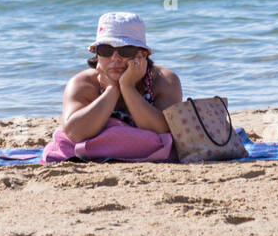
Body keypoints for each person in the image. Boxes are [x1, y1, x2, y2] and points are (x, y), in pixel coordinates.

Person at [42, 12, 183, 162]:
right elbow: (75, 133)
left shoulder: (164, 80)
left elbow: (162, 129)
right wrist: (111, 90)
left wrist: (127, 87)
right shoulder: (82, 83)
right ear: (96, 54)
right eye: (106, 50)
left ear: (143, 54)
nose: (115, 58)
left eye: (125, 50)